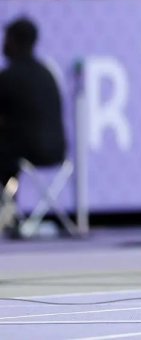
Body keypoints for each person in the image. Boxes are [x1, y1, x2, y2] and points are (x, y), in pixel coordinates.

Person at [0, 18, 66, 232]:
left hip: (25, 152)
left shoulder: (8, 77)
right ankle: (9, 211)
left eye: (7, 38)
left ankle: (7, 211)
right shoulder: (48, 74)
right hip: (57, 151)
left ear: (14, 41)